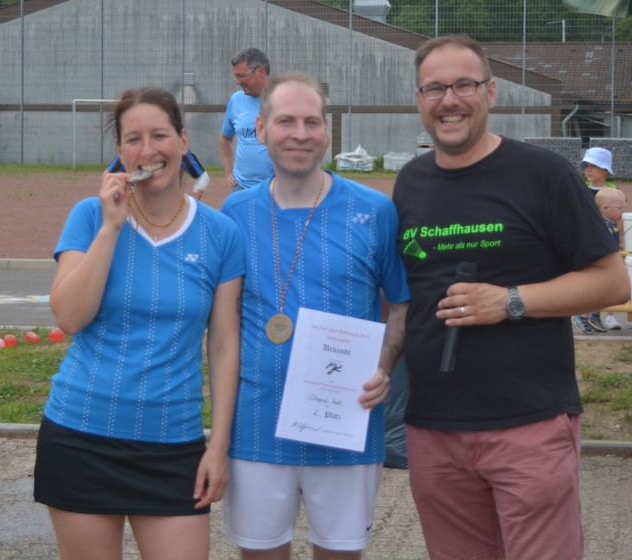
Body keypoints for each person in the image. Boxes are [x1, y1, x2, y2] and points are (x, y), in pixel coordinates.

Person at [388, 34, 630, 560]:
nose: (449, 100)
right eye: (434, 88)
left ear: (491, 92)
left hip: (528, 423)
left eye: (464, 85)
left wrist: (510, 301)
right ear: (419, 99)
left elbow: (612, 282)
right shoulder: (410, 183)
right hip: (434, 429)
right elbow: (406, 298)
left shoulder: (542, 174)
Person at [34, 87, 243, 560]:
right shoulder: (90, 216)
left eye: (160, 135)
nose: (148, 150)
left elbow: (224, 345)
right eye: (133, 139)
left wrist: (218, 446)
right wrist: (111, 227)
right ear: (120, 152)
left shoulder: (220, 233)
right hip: (81, 435)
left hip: (173, 442)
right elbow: (70, 317)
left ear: (184, 141)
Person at [220, 73, 410, 559]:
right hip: (256, 428)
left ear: (327, 131)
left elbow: (400, 305)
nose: (300, 134)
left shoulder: (375, 210)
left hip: (345, 424)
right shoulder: (235, 213)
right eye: (286, 121)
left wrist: (384, 365)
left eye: (312, 122)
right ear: (261, 129)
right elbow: (223, 325)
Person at [574, 157, 623, 334]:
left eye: (594, 166)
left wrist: (622, 239)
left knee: (608, 286)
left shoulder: (613, 190)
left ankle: (595, 314)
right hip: (595, 253)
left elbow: (619, 223)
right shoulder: (583, 190)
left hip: (609, 251)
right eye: (586, 166)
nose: (588, 169)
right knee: (597, 286)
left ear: (605, 170)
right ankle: (582, 315)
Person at [220, 47, 274, 190]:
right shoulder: (236, 100)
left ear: (260, 72)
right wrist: (229, 173)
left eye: (241, 76)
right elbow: (225, 138)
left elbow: (322, 139)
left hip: (276, 190)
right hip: (241, 188)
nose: (237, 82)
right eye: (236, 76)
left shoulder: (285, 99)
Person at [107, 148, 211, 199]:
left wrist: (192, 204)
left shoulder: (178, 150)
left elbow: (203, 178)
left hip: (169, 209)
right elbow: (109, 176)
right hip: (136, 212)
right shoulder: (128, 151)